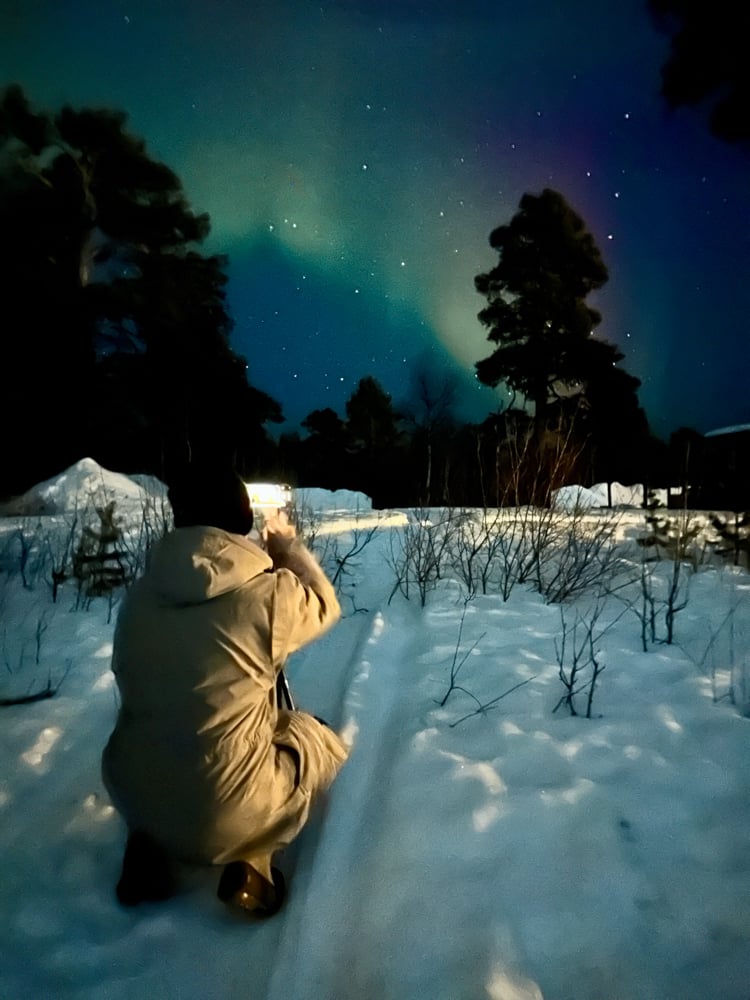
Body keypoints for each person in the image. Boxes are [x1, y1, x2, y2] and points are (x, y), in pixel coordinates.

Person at [101, 464, 349, 916]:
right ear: (242, 520)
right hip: (224, 809)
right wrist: (286, 550)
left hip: (131, 791)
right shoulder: (268, 597)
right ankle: (253, 858)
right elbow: (326, 606)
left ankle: (155, 845)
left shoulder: (138, 597)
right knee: (314, 740)